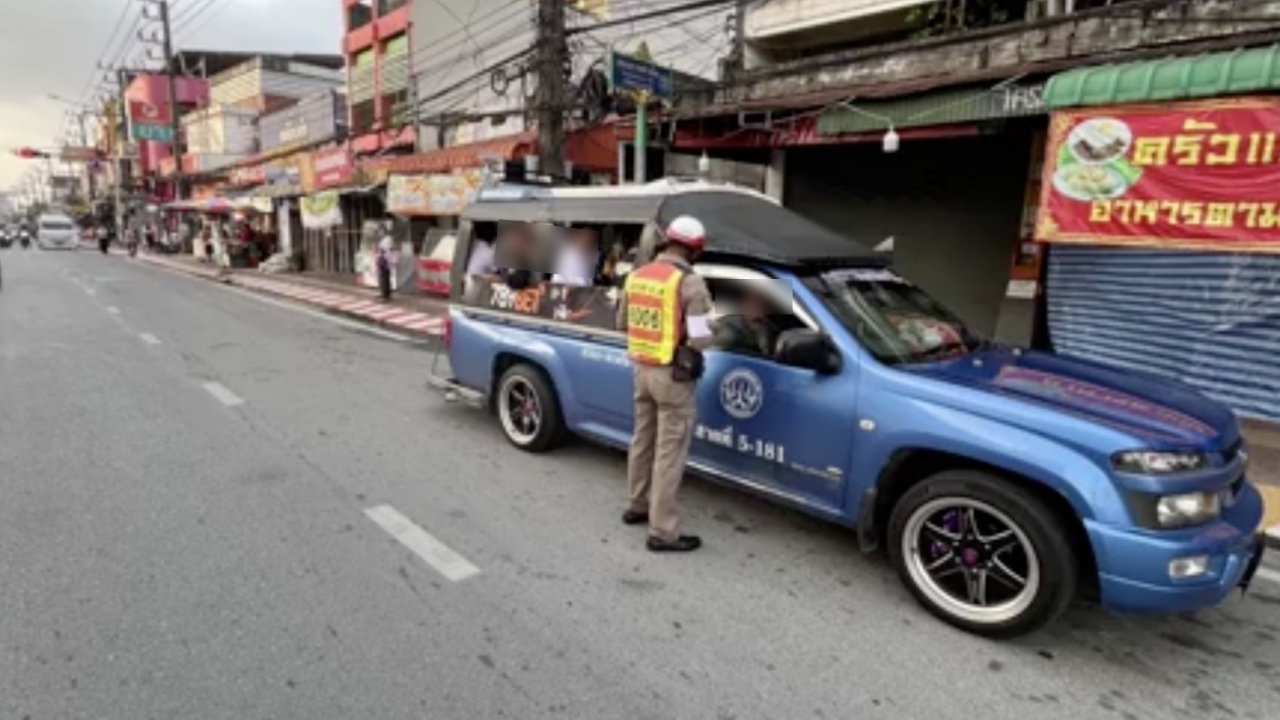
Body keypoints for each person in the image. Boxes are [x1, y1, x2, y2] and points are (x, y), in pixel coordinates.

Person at [616, 215, 715, 553]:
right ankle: (663, 531)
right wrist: (720, 330)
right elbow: (700, 338)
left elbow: (622, 323)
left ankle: (636, 505)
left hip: (641, 370)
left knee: (642, 440)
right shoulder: (690, 283)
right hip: (673, 376)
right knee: (669, 454)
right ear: (695, 251)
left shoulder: (637, 275)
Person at [714, 283, 780, 356]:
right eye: (754, 301)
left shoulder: (769, 328)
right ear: (745, 303)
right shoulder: (728, 328)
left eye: (765, 301)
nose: (760, 306)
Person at [376, 221, 395, 301]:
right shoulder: (383, 239)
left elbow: (387, 249)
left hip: (386, 259)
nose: (380, 232)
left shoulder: (388, 239)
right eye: (379, 231)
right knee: (382, 277)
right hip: (382, 258)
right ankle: (383, 292)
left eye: (381, 230)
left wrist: (381, 251)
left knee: (385, 277)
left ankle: (386, 295)